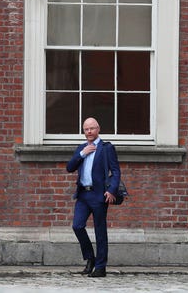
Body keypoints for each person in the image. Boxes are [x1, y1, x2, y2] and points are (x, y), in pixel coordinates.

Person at [66, 117, 120, 277]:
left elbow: (116, 171)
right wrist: (82, 154)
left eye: (92, 128)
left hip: (99, 195)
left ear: (98, 129)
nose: (89, 132)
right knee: (77, 226)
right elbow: (70, 167)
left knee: (100, 231)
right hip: (83, 195)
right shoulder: (81, 148)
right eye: (86, 129)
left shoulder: (106, 148)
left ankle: (101, 267)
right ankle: (90, 258)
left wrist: (112, 190)